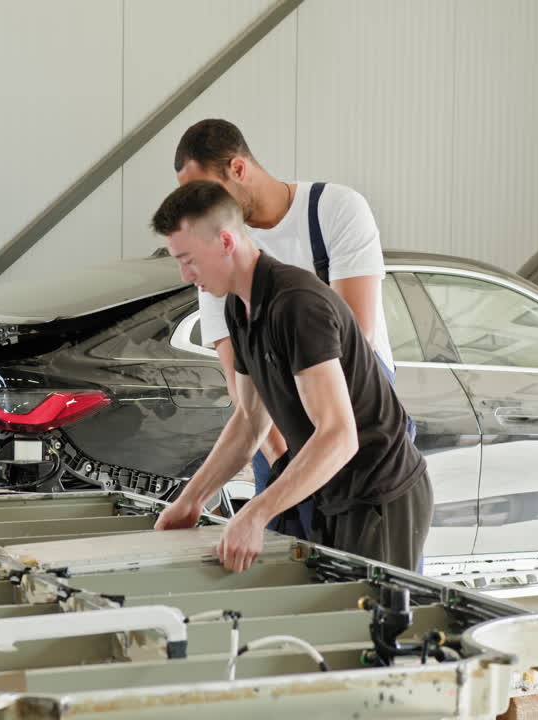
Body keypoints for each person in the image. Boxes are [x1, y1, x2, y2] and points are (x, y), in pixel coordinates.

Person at [150, 180, 431, 573]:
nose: (184, 274)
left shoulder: (297, 306)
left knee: (369, 626)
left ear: (226, 242)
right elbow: (250, 421)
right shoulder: (238, 307)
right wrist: (192, 500)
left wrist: (255, 514)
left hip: (377, 494)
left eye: (189, 259)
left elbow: (338, 435)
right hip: (329, 490)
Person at [173, 118, 403, 540]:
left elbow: (356, 340)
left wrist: (308, 468)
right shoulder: (213, 260)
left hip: (361, 427)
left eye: (204, 193)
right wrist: (285, 472)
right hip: (279, 435)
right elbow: (245, 395)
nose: (197, 208)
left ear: (238, 169)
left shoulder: (334, 210)